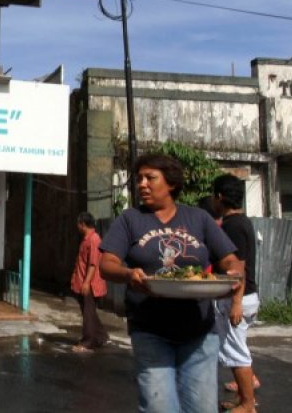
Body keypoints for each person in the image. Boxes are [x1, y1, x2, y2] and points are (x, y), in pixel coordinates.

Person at [99, 154, 244, 413]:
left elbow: (231, 260)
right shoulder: (130, 219)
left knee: (201, 408)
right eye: (139, 178)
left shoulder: (198, 218)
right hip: (150, 330)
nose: (142, 184)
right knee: (159, 407)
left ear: (171, 184)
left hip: (199, 332)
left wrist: (233, 273)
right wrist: (128, 274)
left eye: (150, 178)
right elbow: (107, 264)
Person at [213, 174, 260, 413]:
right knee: (235, 350)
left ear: (219, 197)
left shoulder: (233, 226)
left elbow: (237, 268)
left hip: (239, 297)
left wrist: (236, 302)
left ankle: (247, 405)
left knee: (237, 353)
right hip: (244, 296)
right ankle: (244, 398)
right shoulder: (242, 223)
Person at [70, 212, 108, 352]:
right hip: (82, 281)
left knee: (88, 313)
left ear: (82, 224)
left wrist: (86, 283)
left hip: (90, 284)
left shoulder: (94, 239)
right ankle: (101, 337)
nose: (77, 226)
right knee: (89, 312)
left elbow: (93, 264)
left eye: (78, 224)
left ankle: (88, 342)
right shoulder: (86, 239)